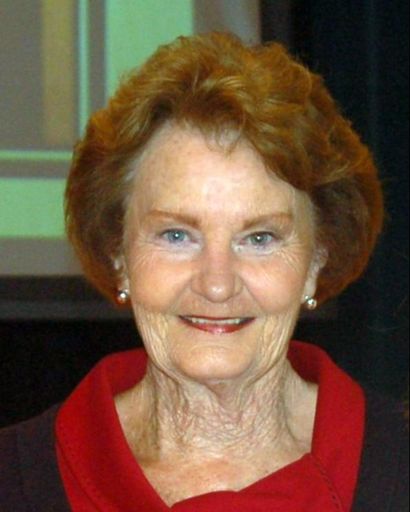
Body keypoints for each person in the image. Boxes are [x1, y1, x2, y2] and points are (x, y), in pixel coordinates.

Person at [0, 32, 408, 511]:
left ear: (317, 259)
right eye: (177, 235)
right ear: (117, 254)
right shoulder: (14, 481)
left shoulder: (395, 466)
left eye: (259, 238)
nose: (217, 284)